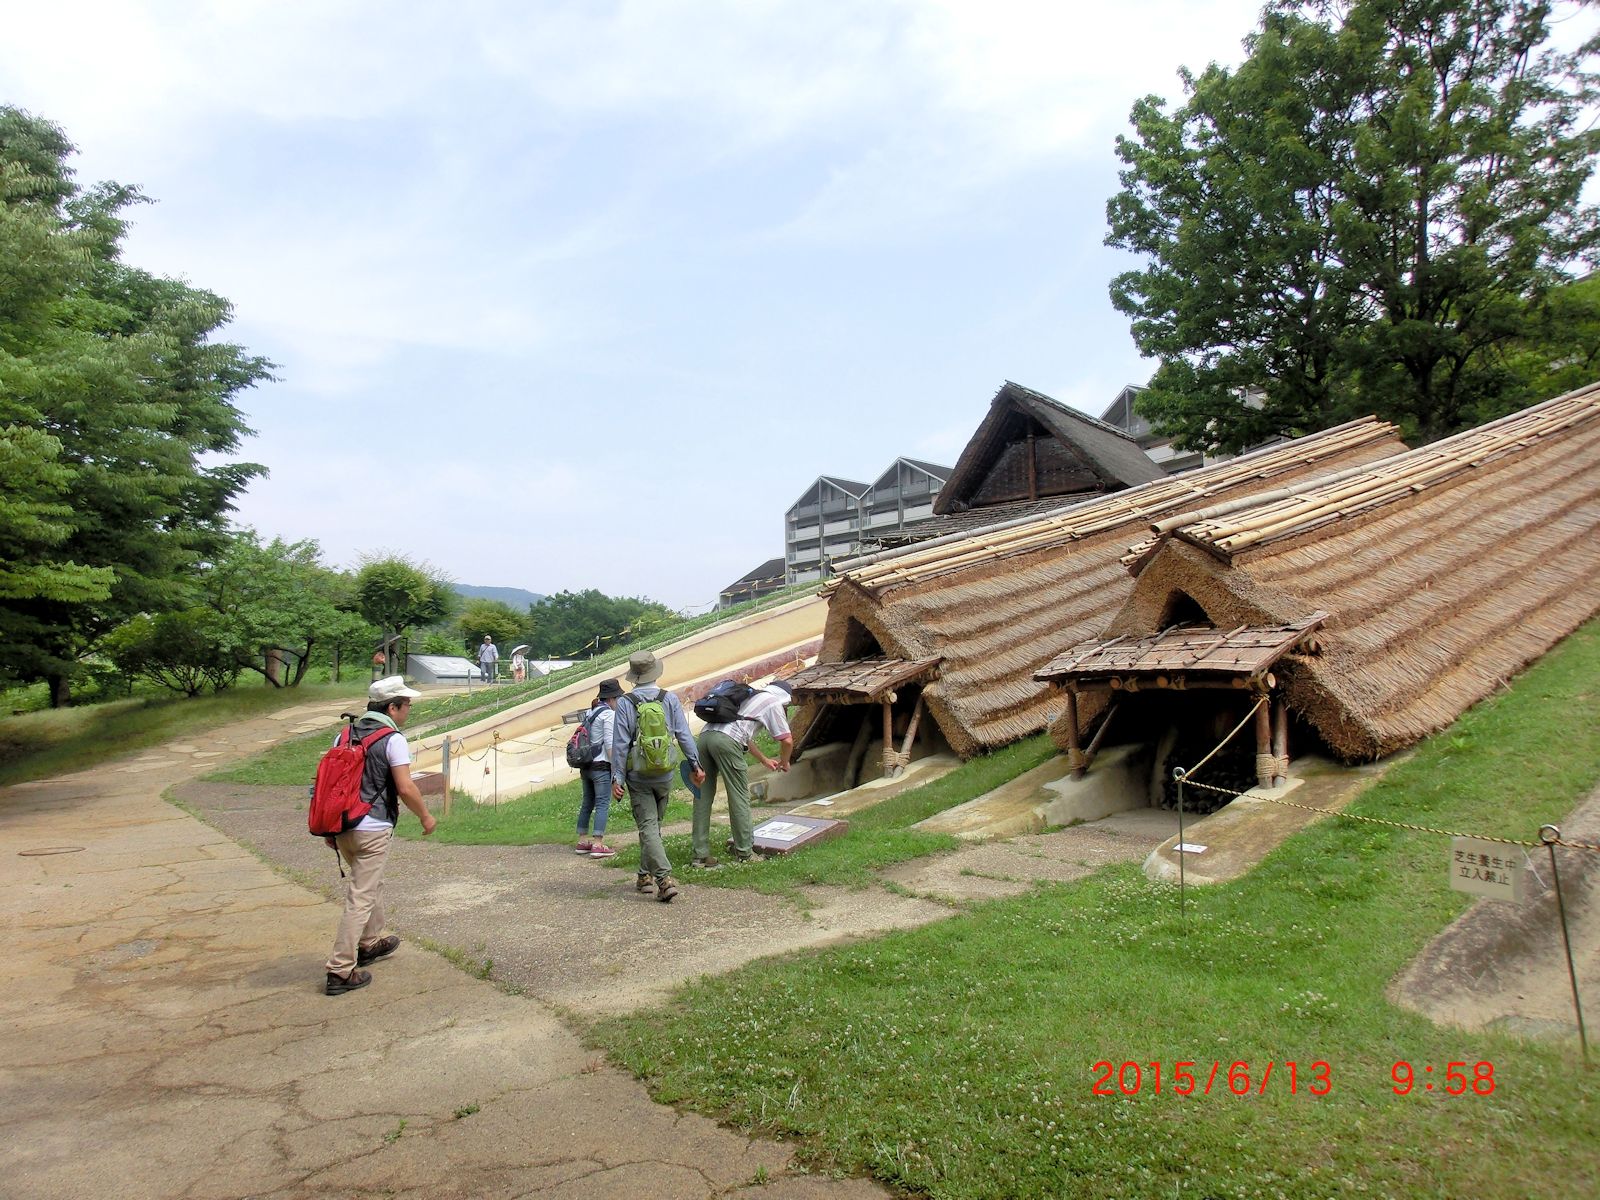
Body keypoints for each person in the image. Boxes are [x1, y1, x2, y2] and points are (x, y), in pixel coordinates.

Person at [324, 675, 437, 995]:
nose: (409, 710)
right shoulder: (392, 739)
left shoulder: (344, 734)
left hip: (343, 825)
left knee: (370, 884)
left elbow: (330, 783)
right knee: (360, 896)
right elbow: (405, 786)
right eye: (407, 705)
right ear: (392, 707)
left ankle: (370, 942)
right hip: (372, 827)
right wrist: (426, 816)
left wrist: (330, 828)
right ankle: (340, 970)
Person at [610, 650, 704, 902]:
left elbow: (620, 744)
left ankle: (663, 879)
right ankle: (644, 875)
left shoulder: (625, 703)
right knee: (652, 826)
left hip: (638, 774)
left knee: (648, 826)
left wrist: (617, 778)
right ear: (655, 672)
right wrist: (695, 764)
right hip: (665, 772)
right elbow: (683, 734)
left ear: (634, 676)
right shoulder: (669, 699)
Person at [692, 680, 794, 867]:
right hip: (726, 742)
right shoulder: (773, 702)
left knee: (702, 796)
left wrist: (763, 759)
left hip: (705, 738)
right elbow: (786, 740)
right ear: (785, 699)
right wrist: (785, 761)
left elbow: (743, 732)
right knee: (738, 796)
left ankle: (700, 855)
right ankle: (745, 853)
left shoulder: (748, 695)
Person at [576, 678, 622, 858]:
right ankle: (598, 843)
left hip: (585, 764)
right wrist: (616, 768)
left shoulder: (591, 712)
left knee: (587, 802)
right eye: (617, 698)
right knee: (602, 803)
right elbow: (609, 744)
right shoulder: (608, 714)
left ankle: (582, 841)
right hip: (601, 765)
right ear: (611, 698)